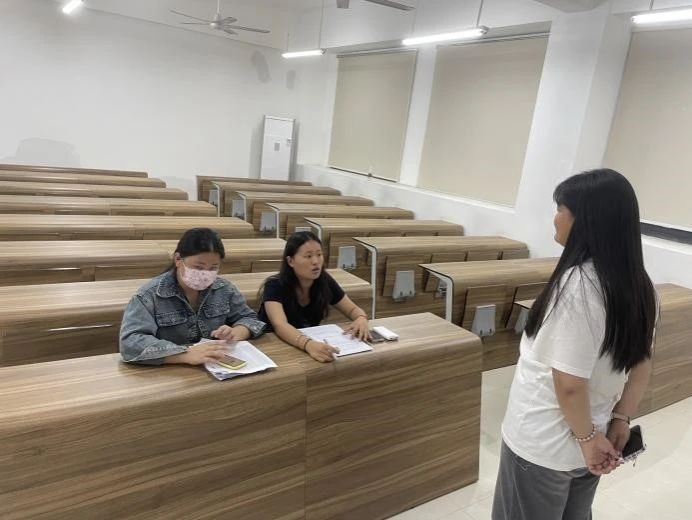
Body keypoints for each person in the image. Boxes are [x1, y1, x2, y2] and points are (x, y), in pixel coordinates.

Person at [492, 169, 658, 520]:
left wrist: (587, 439)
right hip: (593, 435)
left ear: (585, 219)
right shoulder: (641, 284)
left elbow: (568, 383)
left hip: (546, 443)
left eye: (560, 208)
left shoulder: (580, 285)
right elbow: (641, 364)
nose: (555, 217)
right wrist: (619, 420)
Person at [120, 227, 265, 365]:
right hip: (171, 372)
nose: (205, 274)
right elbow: (130, 342)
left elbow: (250, 318)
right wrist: (184, 354)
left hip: (215, 365)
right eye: (198, 267)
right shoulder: (149, 295)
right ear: (178, 259)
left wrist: (236, 332)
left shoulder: (224, 289)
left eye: (213, 268)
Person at [257, 231, 370, 363]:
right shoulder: (274, 285)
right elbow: (280, 325)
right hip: (274, 348)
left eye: (319, 255)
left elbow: (352, 309)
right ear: (290, 261)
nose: (315, 261)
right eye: (308, 256)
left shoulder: (324, 281)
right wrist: (308, 344)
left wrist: (361, 318)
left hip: (308, 347)